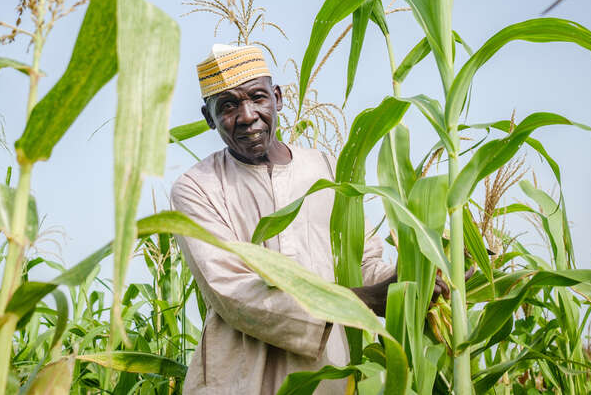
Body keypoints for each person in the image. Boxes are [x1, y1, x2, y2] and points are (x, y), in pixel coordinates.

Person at [171, 44, 411, 394]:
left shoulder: (328, 169)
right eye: (228, 106)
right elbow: (233, 293)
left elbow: (364, 261)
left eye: (257, 97)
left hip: (330, 375)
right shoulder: (196, 188)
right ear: (209, 118)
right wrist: (363, 300)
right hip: (241, 381)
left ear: (278, 98)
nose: (248, 115)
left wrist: (414, 279)